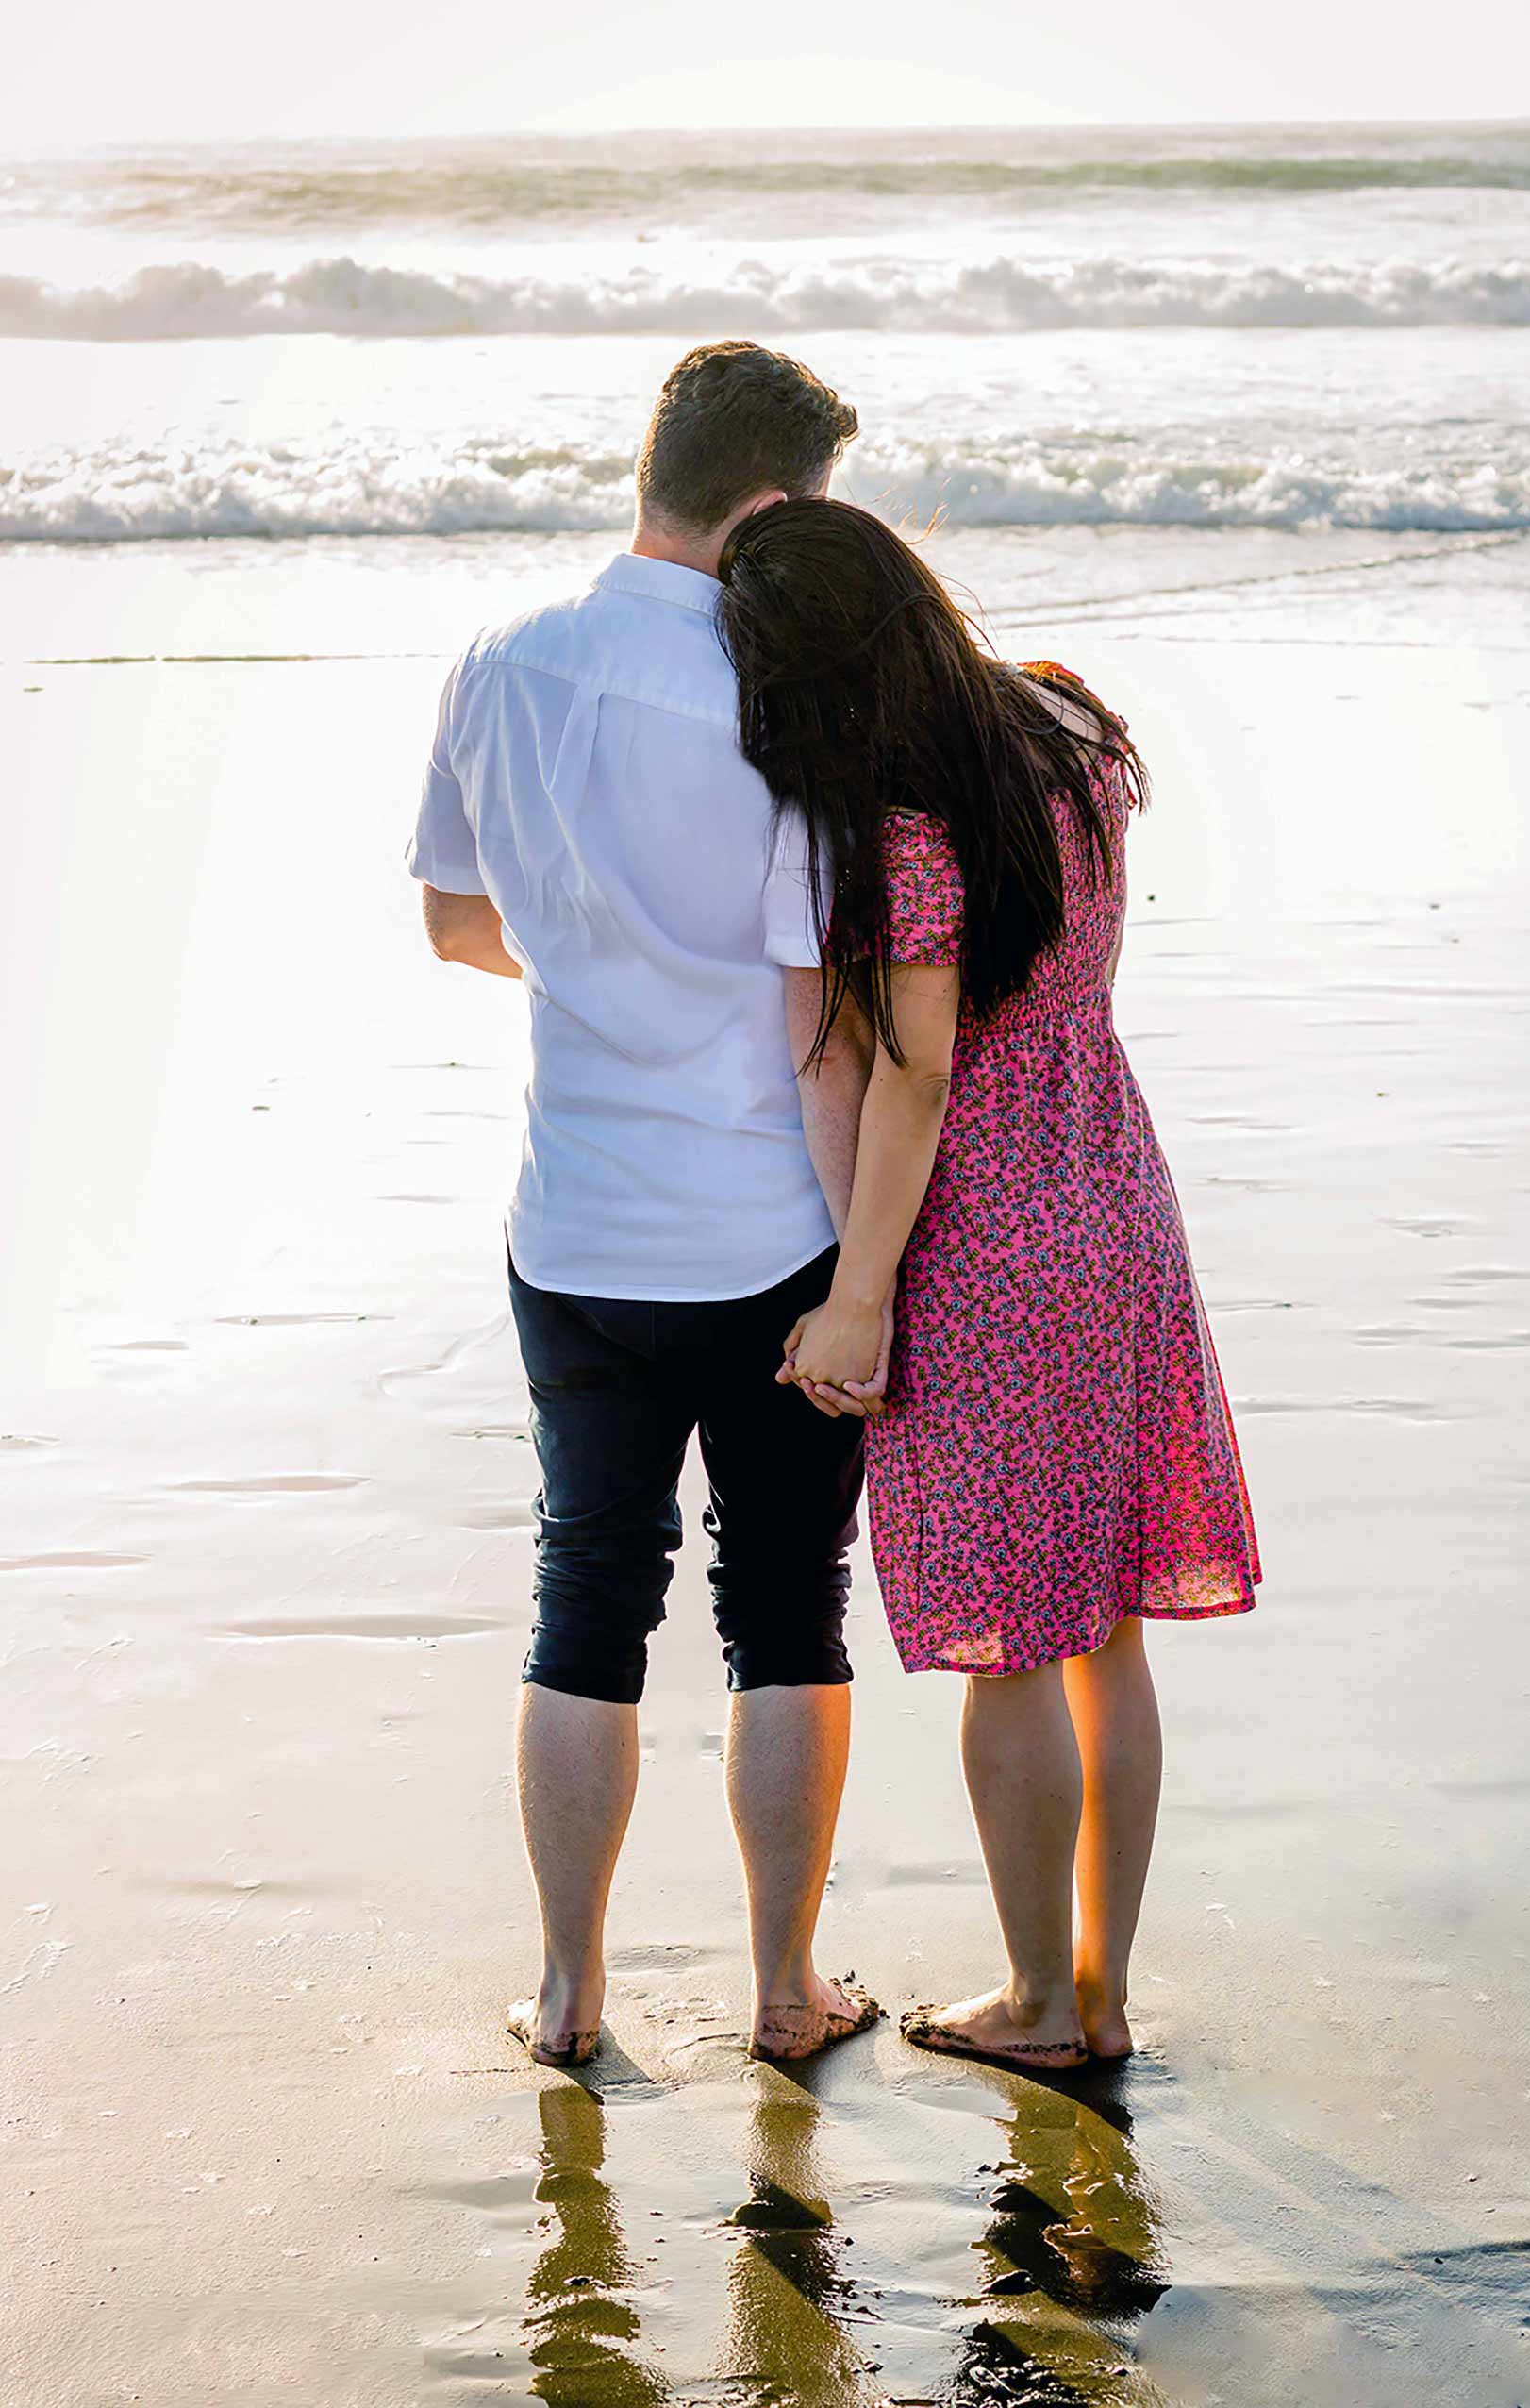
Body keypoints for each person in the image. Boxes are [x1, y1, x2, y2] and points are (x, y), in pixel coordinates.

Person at [718, 498, 1261, 2070]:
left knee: (1015, 1639)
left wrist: (860, 1293)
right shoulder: (1069, 720)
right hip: (1115, 1197)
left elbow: (919, 1069)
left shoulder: (907, 820)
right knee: (1107, 1634)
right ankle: (1098, 1986)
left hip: (992, 1246)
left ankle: (1036, 2006)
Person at [407, 345, 886, 2068]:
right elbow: (818, 1010)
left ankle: (568, 1996)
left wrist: (603, 972)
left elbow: (460, 926)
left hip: (576, 1224)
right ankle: (781, 1993)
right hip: (771, 1227)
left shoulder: (499, 656)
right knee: (784, 1602)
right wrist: (871, 1282)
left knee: (586, 1591)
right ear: (771, 503)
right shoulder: (783, 694)